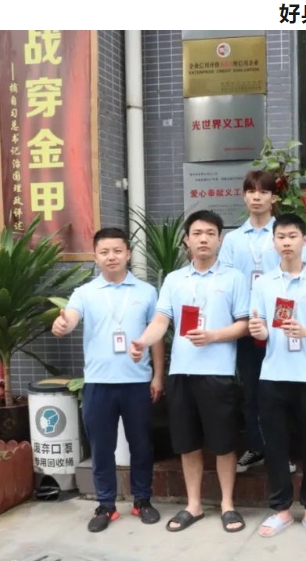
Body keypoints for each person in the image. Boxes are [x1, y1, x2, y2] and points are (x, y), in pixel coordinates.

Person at [130, 210, 250, 533]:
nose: (203, 239)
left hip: (219, 374)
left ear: (220, 239)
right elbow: (161, 320)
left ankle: (227, 505)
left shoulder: (234, 278)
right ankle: (193, 505)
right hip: (182, 373)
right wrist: (143, 341)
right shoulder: (174, 280)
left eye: (210, 233)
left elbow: (244, 324)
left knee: (224, 443)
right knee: (187, 443)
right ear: (187, 240)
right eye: (197, 233)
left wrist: (213, 336)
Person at [52, 228, 165, 532]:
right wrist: (63, 324)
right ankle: (106, 505)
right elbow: (71, 317)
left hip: (137, 383)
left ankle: (142, 500)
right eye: (104, 252)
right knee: (102, 448)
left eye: (117, 251)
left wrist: (158, 375)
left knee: (142, 445)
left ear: (128, 254)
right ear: (96, 256)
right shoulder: (85, 293)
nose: (111, 257)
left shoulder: (146, 292)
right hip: (98, 384)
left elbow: (156, 336)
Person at [248, 214, 306, 538]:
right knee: (276, 446)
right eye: (281, 237)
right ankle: (282, 510)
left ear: (304, 240)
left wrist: (305, 331)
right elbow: (260, 329)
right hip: (273, 374)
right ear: (273, 242)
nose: (286, 242)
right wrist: (258, 330)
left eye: (292, 236)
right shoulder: (263, 284)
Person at [219, 170, 286, 474]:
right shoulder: (233, 240)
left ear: (274, 197)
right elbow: (227, 282)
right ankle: (256, 447)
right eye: (251, 191)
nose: (257, 197)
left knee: (280, 390)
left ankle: (281, 451)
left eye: (263, 192)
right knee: (251, 389)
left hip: (281, 326)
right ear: (244, 196)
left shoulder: (283, 234)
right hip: (246, 326)